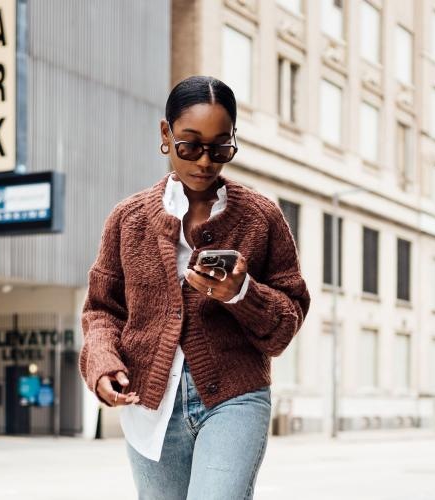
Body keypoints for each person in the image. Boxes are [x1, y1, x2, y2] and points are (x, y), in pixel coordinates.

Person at [79, 75, 310, 500]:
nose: (205, 161)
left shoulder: (263, 218)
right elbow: (101, 310)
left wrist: (241, 294)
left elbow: (287, 319)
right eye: (190, 145)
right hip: (149, 404)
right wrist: (103, 363)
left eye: (220, 147)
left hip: (235, 398)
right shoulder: (127, 219)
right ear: (166, 135)